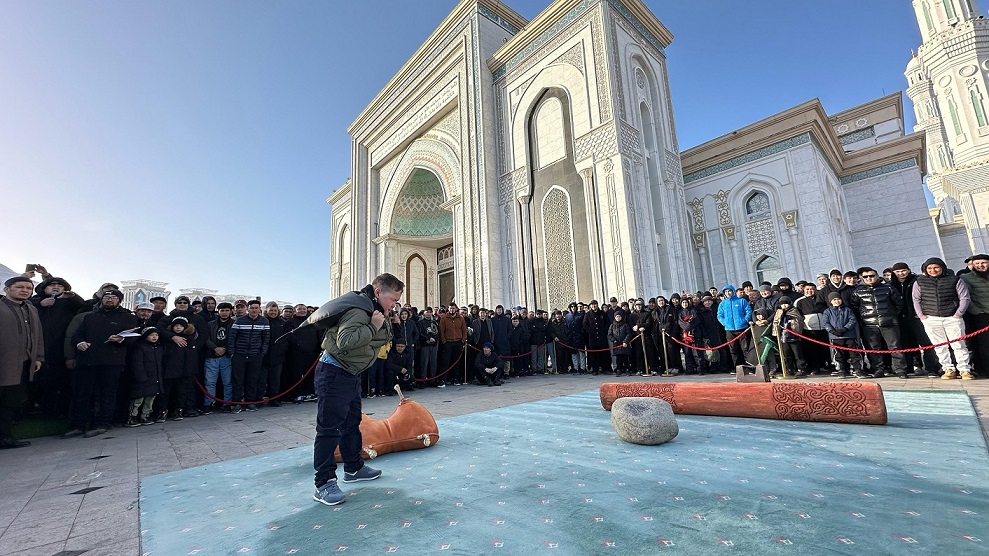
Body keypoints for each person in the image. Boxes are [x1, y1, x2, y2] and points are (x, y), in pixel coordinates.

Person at [312, 273, 402, 507]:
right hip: (334, 373)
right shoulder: (360, 310)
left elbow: (383, 338)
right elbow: (345, 341)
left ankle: (353, 467)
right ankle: (323, 483)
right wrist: (373, 328)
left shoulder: (375, 311)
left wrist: (378, 326)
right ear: (378, 292)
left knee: (351, 423)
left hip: (350, 373)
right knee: (329, 429)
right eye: (393, 299)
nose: (394, 305)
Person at [64, 289, 138, 438]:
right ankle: (78, 425)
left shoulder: (127, 317)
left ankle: (102, 424)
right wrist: (79, 343)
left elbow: (133, 337)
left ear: (119, 301)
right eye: (107, 297)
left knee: (107, 394)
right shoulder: (90, 317)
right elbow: (77, 335)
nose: (110, 299)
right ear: (101, 299)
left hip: (112, 362)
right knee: (82, 394)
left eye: (114, 297)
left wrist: (121, 339)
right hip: (87, 361)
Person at [0, 276, 44, 448]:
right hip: (4, 361)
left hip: (23, 363)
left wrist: (38, 357)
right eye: (20, 287)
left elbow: (38, 335)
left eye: (28, 288)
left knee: (11, 401)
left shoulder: (31, 309)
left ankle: (4, 437)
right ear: (7, 289)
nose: (25, 290)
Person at [913, 257, 974, 380]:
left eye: (936, 267)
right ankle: (948, 368)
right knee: (939, 346)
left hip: (952, 317)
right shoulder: (919, 282)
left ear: (942, 268)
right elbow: (916, 299)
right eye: (929, 268)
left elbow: (964, 297)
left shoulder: (955, 280)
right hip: (931, 318)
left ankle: (964, 369)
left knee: (959, 344)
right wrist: (922, 316)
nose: (933, 270)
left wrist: (958, 314)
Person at [851, 267, 909, 378]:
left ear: (877, 276)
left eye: (872, 276)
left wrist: (892, 315)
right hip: (869, 324)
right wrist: (863, 319)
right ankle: (878, 369)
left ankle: (900, 370)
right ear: (862, 278)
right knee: (873, 349)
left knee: (895, 347)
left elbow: (899, 304)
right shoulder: (858, 291)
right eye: (866, 276)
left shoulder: (888, 288)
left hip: (889, 323)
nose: (869, 278)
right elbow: (855, 307)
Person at [227, 300, 270, 412]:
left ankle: (250, 402)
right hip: (239, 355)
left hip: (255, 355)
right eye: (252, 308)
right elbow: (232, 337)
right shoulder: (240, 321)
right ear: (248, 309)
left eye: (256, 308)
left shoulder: (264, 321)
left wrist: (262, 353)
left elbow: (266, 339)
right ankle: (237, 403)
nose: (254, 310)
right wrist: (232, 353)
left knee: (252, 379)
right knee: (238, 380)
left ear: (259, 309)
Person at [126, 327, 163, 426]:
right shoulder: (139, 347)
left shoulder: (158, 347)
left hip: (154, 378)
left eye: (156, 335)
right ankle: (132, 417)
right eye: (151, 335)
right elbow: (137, 363)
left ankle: (145, 415)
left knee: (150, 399)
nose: (154, 337)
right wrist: (140, 375)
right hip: (142, 377)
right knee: (138, 399)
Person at [822, 293, 863, 378]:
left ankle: (857, 369)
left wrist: (845, 329)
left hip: (849, 335)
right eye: (834, 300)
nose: (837, 301)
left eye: (838, 299)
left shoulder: (848, 310)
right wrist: (832, 331)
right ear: (831, 301)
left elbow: (852, 320)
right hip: (835, 337)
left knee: (854, 353)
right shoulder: (827, 311)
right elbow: (825, 323)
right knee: (839, 354)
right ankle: (841, 369)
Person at [961, 254, 989, 377]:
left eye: (984, 263)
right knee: (984, 345)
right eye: (977, 263)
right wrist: (977, 312)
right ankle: (985, 369)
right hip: (981, 315)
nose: (980, 266)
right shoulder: (966, 278)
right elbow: (967, 297)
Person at [716, 284, 753, 369]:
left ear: (733, 291)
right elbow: (719, 315)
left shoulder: (741, 301)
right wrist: (725, 323)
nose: (728, 293)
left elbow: (748, 311)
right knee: (733, 349)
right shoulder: (722, 304)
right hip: (729, 330)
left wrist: (745, 320)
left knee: (745, 348)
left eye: (729, 291)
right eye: (726, 292)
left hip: (742, 328)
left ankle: (750, 367)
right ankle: (737, 368)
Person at [607, 311, 633, 376]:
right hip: (616, 344)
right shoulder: (612, 325)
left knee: (625, 358)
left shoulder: (625, 324)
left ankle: (627, 369)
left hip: (624, 344)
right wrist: (613, 340)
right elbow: (609, 334)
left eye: (619, 316)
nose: (618, 318)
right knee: (618, 358)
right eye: (617, 317)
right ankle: (619, 370)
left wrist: (625, 341)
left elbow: (629, 334)